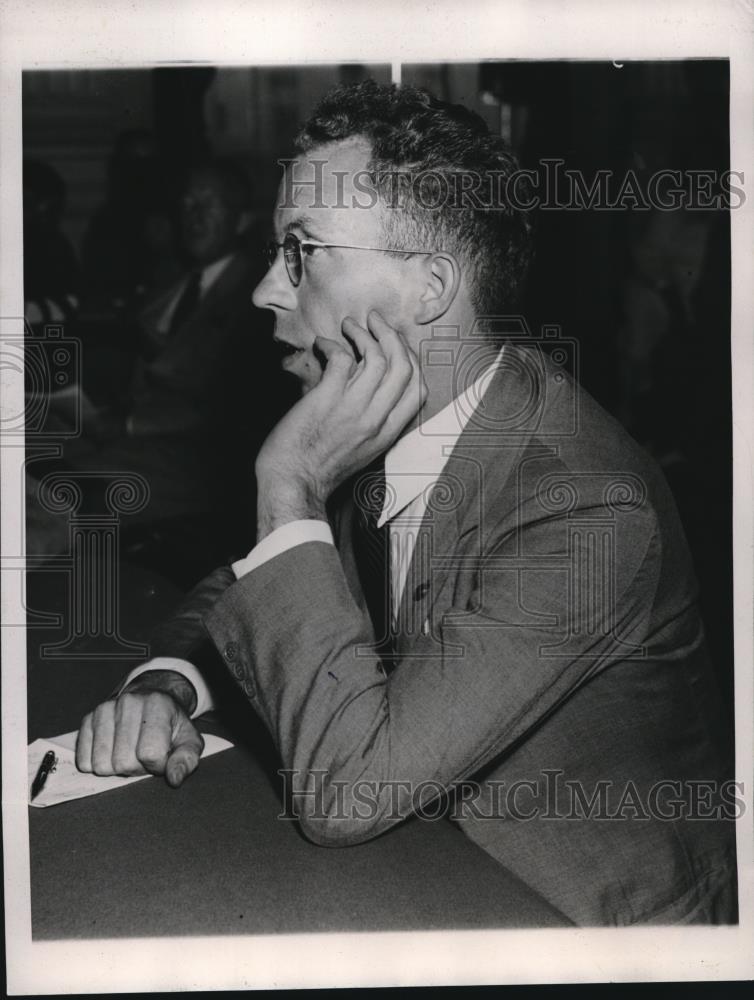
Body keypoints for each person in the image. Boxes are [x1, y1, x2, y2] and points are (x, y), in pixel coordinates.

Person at [75, 80, 736, 926]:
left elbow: (348, 790)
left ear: (429, 288)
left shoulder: (587, 509)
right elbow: (256, 582)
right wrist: (167, 684)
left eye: (302, 252)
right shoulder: (403, 416)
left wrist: (288, 486)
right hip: (437, 874)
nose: (263, 292)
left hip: (591, 929)